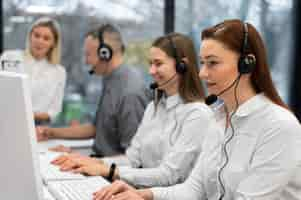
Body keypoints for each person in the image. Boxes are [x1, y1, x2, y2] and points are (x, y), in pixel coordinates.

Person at [92, 19, 301, 200]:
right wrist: (143, 194)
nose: (202, 73)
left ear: (246, 65)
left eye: (212, 63)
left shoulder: (279, 126)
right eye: (202, 63)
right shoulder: (218, 119)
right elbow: (194, 189)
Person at [51, 33, 223, 188]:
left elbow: (169, 175)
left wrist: (109, 172)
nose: (151, 71)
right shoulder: (153, 108)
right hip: (139, 193)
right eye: (150, 64)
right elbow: (132, 159)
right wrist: (90, 162)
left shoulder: (198, 115)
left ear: (182, 66)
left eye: (158, 64)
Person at [36, 24, 151, 157]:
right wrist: (51, 132)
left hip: (112, 174)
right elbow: (96, 129)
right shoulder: (111, 78)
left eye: (88, 54)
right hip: (100, 164)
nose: (86, 61)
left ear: (105, 54)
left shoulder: (130, 92)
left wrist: (81, 159)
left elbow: (134, 159)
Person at [0, 17, 66, 123]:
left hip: (37, 126)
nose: (39, 41)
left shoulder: (59, 72)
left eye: (46, 38)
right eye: (36, 35)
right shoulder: (9, 57)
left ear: (53, 43)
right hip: (4, 119)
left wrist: (29, 115)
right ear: (30, 36)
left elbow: (55, 111)